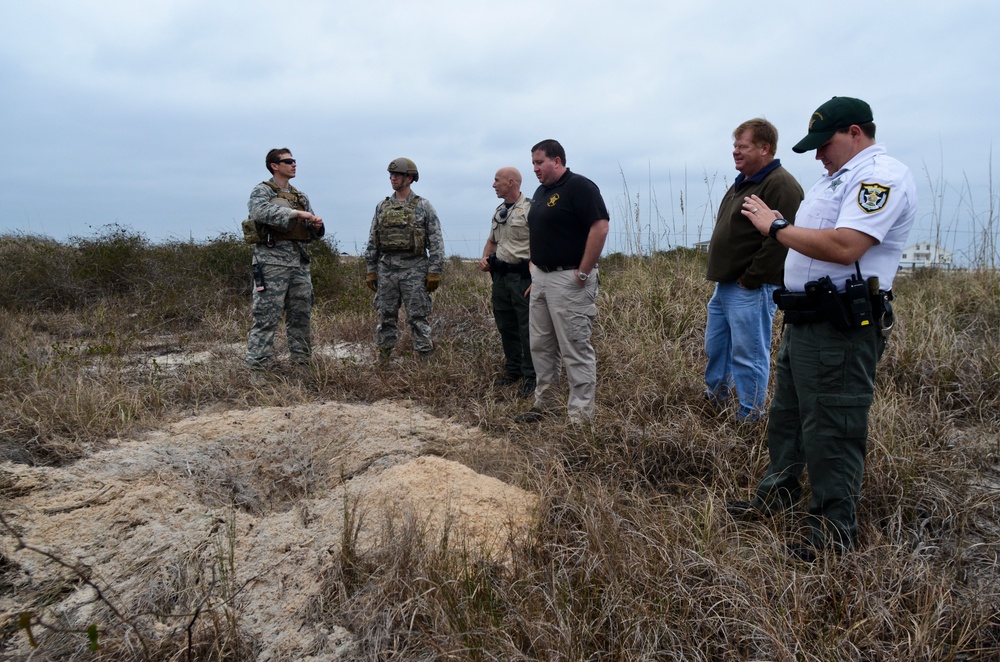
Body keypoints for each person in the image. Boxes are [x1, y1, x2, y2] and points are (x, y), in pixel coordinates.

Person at [729, 97, 917, 560]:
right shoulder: (833, 180)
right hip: (804, 320)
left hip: (841, 327)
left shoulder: (880, 176)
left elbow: (846, 245)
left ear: (856, 132)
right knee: (788, 417)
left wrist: (775, 228)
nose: (817, 155)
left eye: (824, 144)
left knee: (833, 427)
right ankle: (779, 493)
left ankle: (833, 535)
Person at [704, 119, 804, 421]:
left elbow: (782, 239)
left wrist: (751, 279)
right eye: (734, 146)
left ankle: (750, 417)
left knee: (749, 355)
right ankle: (716, 401)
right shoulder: (743, 183)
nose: (735, 151)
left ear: (765, 148)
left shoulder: (780, 184)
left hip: (752, 287)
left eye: (742, 146)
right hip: (726, 287)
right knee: (717, 348)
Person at [515, 139, 609, 424]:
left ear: (557, 161)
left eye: (539, 162)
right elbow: (539, 231)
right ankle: (547, 404)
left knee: (574, 347)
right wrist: (536, 271)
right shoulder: (541, 192)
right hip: (543, 279)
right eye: (532, 163)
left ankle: (580, 417)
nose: (535, 168)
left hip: (570, 280)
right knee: (541, 345)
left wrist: (583, 271)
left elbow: (600, 226)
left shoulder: (580, 187)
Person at [246, 148, 325, 371]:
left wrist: (316, 226)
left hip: (299, 265)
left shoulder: (300, 197)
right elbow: (259, 212)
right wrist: (295, 214)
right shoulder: (262, 191)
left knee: (301, 319)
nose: (293, 165)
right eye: (288, 161)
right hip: (271, 265)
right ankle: (258, 370)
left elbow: (309, 232)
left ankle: (302, 366)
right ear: (274, 165)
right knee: (266, 319)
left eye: (294, 161)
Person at [364, 157, 445, 361]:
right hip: (387, 270)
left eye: (397, 174)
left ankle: (425, 360)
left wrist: (434, 271)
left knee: (418, 317)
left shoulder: (424, 207)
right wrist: (371, 269)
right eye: (391, 175)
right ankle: (383, 360)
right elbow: (373, 239)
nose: (393, 178)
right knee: (385, 316)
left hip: (414, 269)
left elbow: (436, 241)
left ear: (410, 178)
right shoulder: (382, 207)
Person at [478, 167, 535, 398]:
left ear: (511, 182)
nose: (493, 184)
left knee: (528, 329)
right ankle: (514, 371)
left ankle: (532, 377)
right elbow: (492, 241)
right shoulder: (499, 211)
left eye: (497, 180)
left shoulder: (531, 208)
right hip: (501, 278)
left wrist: (537, 277)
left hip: (523, 278)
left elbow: (539, 244)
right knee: (505, 325)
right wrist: (484, 259)